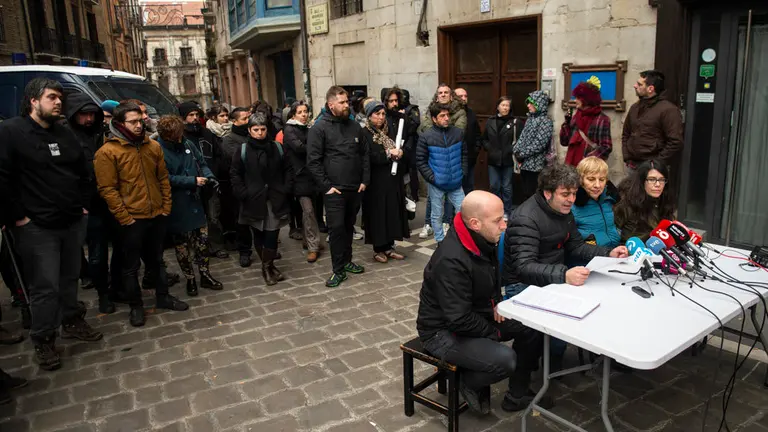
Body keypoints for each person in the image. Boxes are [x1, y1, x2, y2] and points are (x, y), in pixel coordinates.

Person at [0, 78, 102, 371]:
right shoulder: (10, 132)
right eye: (51, 97)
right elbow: (1, 178)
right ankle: (43, 338)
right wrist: (18, 215)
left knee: (70, 277)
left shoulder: (66, 134)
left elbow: (84, 172)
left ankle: (72, 320)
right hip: (36, 227)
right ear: (33, 100)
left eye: (60, 98)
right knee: (45, 285)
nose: (58, 102)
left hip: (71, 221)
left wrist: (83, 205)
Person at [417, 190, 548, 413]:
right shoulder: (452, 259)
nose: (504, 225)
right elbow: (458, 318)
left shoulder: (480, 238)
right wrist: (494, 333)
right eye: (498, 220)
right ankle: (465, 381)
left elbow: (489, 276)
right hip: (441, 331)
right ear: (475, 223)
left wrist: (496, 302)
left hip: (475, 313)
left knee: (532, 326)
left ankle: (517, 393)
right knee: (505, 359)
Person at [502, 164, 628, 371]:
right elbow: (523, 267)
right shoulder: (526, 218)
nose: (571, 199)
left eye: (574, 193)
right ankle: (523, 384)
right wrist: (564, 275)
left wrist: (608, 253)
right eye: (565, 194)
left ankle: (552, 367)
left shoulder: (563, 211)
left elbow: (576, 245)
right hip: (522, 284)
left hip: (550, 276)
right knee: (558, 322)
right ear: (547, 193)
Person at [95, 101, 189, 328]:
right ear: (119, 123)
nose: (139, 125)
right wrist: (125, 217)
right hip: (130, 219)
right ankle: (136, 306)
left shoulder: (152, 146)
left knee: (156, 260)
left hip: (156, 214)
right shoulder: (107, 152)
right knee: (130, 266)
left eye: (141, 120)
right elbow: (108, 190)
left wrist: (165, 207)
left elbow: (163, 179)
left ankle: (163, 295)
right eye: (133, 122)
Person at [307, 86, 370, 288]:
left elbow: (364, 155)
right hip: (334, 190)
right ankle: (338, 269)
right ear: (330, 104)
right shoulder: (319, 128)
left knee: (349, 226)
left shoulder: (355, 127)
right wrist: (326, 186)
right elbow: (313, 161)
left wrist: (364, 180)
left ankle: (348, 260)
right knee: (336, 230)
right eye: (342, 102)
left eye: (347, 102)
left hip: (355, 188)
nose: (346, 105)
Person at [64, 91, 118, 314]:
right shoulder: (65, 137)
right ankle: (103, 292)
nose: (88, 119)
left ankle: (118, 286)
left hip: (113, 201)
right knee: (97, 254)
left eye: (91, 114)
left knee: (122, 248)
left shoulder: (103, 134)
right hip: (89, 205)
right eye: (83, 114)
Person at [157, 116, 224, 296]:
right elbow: (164, 178)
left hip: (196, 201)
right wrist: (191, 181)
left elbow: (201, 163)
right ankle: (190, 278)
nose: (180, 138)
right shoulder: (158, 149)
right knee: (182, 246)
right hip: (177, 204)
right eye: (176, 135)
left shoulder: (187, 144)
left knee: (202, 241)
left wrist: (210, 177)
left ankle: (204, 274)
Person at [230, 113, 293, 285]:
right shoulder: (242, 150)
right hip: (253, 199)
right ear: (249, 130)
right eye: (255, 129)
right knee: (258, 234)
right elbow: (235, 174)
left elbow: (287, 168)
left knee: (272, 233)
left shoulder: (277, 148)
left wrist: (286, 188)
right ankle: (268, 268)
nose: (259, 133)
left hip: (274, 198)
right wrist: (243, 193)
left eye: (263, 129)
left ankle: (268, 265)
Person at [360, 99, 410, 263]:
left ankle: (390, 246)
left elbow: (399, 147)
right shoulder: (365, 134)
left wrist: (400, 153)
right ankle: (378, 248)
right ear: (369, 116)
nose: (381, 117)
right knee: (378, 214)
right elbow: (367, 157)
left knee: (392, 211)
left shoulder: (390, 131)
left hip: (392, 179)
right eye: (377, 114)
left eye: (383, 114)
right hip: (375, 181)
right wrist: (388, 154)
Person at [179, 101, 228, 259]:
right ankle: (198, 249)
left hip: (210, 181)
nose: (194, 118)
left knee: (214, 215)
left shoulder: (207, 134)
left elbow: (219, 155)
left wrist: (215, 172)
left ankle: (217, 245)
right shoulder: (180, 137)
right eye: (191, 115)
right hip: (191, 183)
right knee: (195, 219)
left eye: (197, 115)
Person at [416, 103, 466, 244]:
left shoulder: (457, 133)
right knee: (437, 214)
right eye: (442, 116)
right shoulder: (426, 137)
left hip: (456, 182)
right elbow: (420, 161)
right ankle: (440, 241)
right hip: (437, 183)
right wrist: (433, 178)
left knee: (464, 211)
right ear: (434, 119)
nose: (446, 118)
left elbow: (464, 155)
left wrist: (462, 173)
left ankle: (459, 239)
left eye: (447, 115)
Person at [622, 70, 683, 176]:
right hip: (633, 166)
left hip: (654, 169)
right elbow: (626, 134)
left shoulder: (668, 110)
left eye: (640, 84)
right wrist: (627, 157)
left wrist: (655, 163)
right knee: (632, 192)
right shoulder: (635, 108)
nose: (635, 86)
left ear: (650, 89)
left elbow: (675, 142)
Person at [283, 100, 322, 263]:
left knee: (314, 212)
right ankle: (313, 246)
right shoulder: (290, 129)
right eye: (300, 112)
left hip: (312, 176)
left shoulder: (309, 128)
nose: (304, 115)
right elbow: (300, 148)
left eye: (305, 111)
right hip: (299, 177)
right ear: (293, 114)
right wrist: (316, 146)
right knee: (308, 211)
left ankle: (309, 241)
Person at [219, 107, 254, 266]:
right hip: (240, 185)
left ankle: (265, 248)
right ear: (235, 121)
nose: (248, 121)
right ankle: (244, 251)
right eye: (244, 119)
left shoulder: (254, 135)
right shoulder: (229, 139)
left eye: (248, 118)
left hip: (257, 184)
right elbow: (239, 160)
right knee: (242, 221)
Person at [614, 159, 676, 243]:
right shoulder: (627, 203)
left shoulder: (664, 199)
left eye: (661, 180)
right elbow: (622, 237)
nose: (658, 184)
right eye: (651, 179)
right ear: (642, 181)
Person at [571, 157, 621, 248]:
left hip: (616, 254)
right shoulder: (571, 206)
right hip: (587, 259)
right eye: (591, 179)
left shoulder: (611, 200)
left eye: (601, 180)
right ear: (581, 180)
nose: (597, 185)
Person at [560, 81, 612, 166]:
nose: (575, 100)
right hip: (571, 166)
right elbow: (564, 142)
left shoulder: (602, 119)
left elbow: (606, 147)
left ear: (586, 100)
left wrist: (588, 160)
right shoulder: (576, 117)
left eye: (578, 98)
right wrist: (566, 123)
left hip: (588, 168)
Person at [514, 90, 554, 200]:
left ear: (539, 104)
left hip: (536, 166)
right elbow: (522, 137)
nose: (528, 105)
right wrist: (516, 150)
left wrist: (522, 154)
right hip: (525, 164)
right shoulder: (530, 119)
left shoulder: (545, 121)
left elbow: (539, 144)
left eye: (531, 103)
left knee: (534, 194)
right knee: (526, 192)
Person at [482, 96, 517, 218]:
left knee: (507, 187)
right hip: (493, 159)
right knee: (494, 186)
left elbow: (518, 140)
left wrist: (511, 150)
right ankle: (495, 210)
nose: (505, 108)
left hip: (507, 160)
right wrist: (489, 148)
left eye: (507, 105)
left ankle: (507, 211)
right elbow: (484, 139)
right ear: (498, 107)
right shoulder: (490, 121)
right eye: (503, 105)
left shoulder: (514, 122)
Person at [454, 88, 482, 193]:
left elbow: (477, 133)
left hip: (470, 157)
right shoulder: (449, 114)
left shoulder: (471, 113)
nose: (464, 98)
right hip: (455, 158)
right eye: (461, 96)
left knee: (469, 186)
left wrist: (476, 150)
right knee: (456, 189)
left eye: (465, 96)